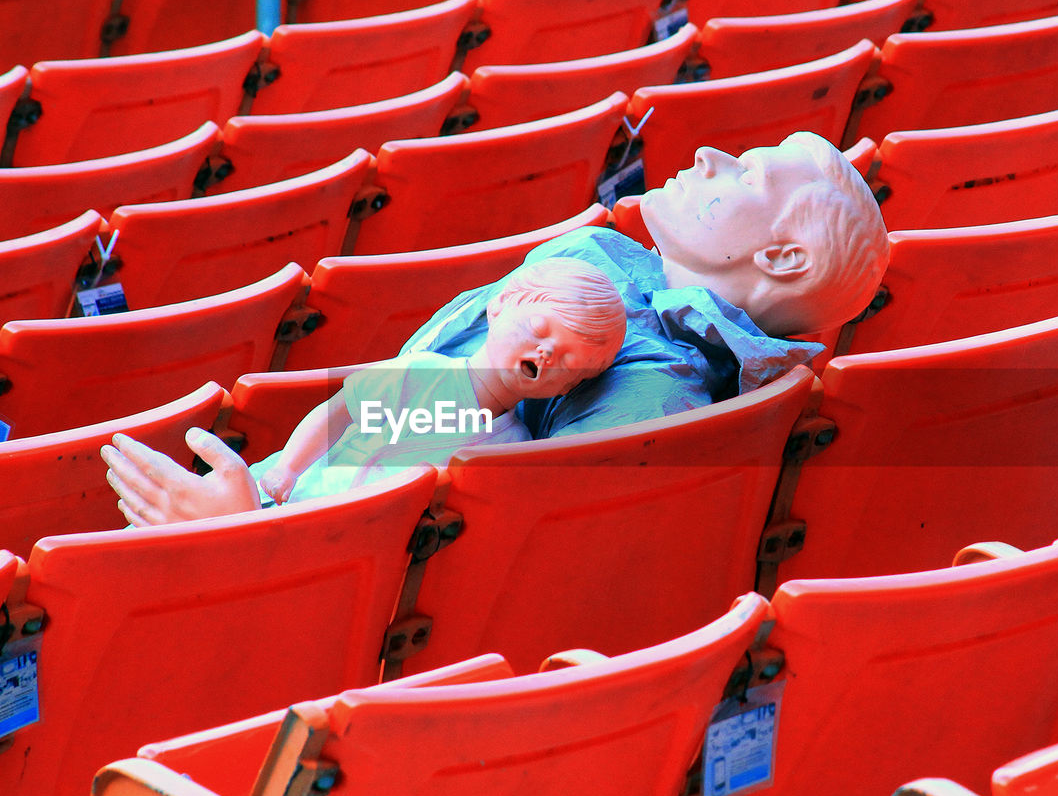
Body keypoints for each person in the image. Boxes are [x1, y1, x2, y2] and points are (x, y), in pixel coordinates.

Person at [102, 132, 889, 525]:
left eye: (746, 174)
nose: (713, 152)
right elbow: (388, 411)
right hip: (302, 490)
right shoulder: (623, 283)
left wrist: (249, 527)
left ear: (782, 257)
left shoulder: (649, 391)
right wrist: (276, 480)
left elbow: (474, 542)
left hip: (293, 544)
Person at [253, 256, 625, 507]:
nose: (547, 353)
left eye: (568, 362)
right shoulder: (420, 372)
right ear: (497, 307)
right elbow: (337, 413)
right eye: (538, 328)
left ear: (566, 389)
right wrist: (287, 468)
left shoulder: (512, 449)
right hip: (298, 497)